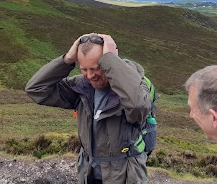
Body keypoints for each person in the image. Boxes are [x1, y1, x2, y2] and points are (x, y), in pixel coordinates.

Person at [25, 33, 151, 184]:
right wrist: (66, 60)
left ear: (109, 61)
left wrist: (111, 60)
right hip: (88, 171)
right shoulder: (81, 86)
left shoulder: (135, 87)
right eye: (84, 69)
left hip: (124, 175)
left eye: (96, 68)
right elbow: (36, 90)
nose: (90, 76)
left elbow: (138, 107)